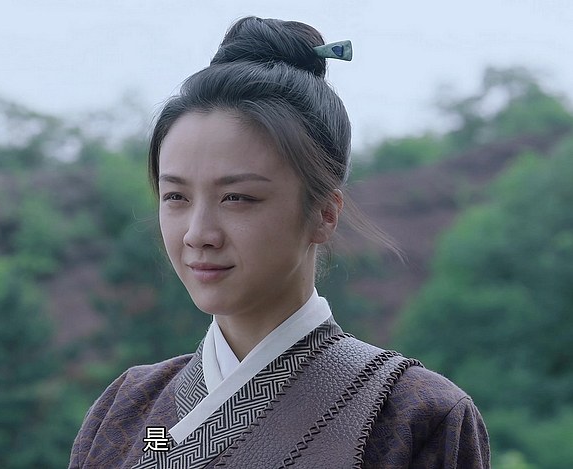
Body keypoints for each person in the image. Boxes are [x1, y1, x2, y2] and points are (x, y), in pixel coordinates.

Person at [69, 16, 490, 469]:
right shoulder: (128, 408)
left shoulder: (414, 415)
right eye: (176, 197)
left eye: (237, 198)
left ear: (324, 214)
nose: (198, 234)